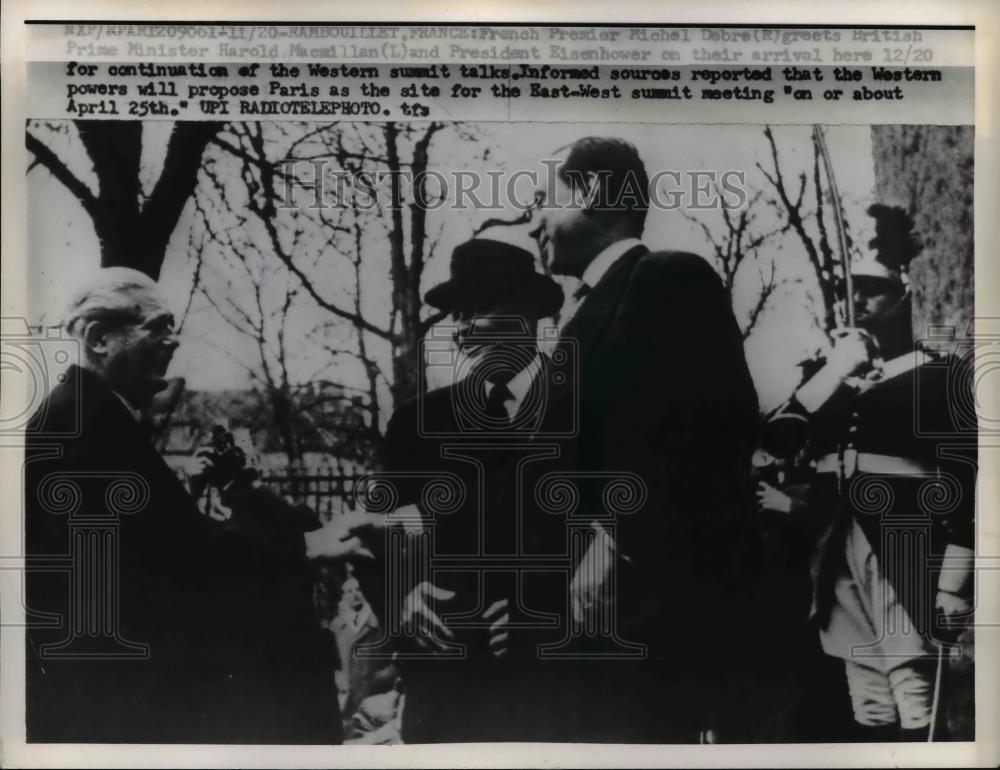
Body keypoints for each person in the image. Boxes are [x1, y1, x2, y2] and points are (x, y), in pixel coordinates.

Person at [24, 267, 375, 743]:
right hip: (107, 704)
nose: (173, 342)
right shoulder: (84, 420)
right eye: (157, 326)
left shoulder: (87, 414)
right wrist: (305, 544)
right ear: (99, 337)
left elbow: (145, 542)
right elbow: (179, 553)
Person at [528, 136, 761, 742]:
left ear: (596, 193)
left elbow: (713, 432)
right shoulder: (582, 311)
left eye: (542, 201)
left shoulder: (667, 278)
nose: (532, 222)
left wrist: (614, 537)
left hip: (644, 604)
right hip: (582, 618)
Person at [764, 205, 977, 741]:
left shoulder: (941, 376)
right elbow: (779, 438)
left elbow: (969, 475)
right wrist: (837, 369)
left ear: (904, 295)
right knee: (869, 695)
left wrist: (954, 582)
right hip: (839, 542)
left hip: (907, 538)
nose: (857, 302)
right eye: (851, 290)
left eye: (872, 291)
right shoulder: (832, 373)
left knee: (914, 688)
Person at [376, 237, 567, 742]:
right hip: (441, 691)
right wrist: (403, 596)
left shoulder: (583, 415)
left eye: (477, 309)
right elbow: (385, 535)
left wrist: (544, 611)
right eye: (454, 314)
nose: (459, 329)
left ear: (528, 315)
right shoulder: (416, 424)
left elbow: (605, 542)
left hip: (549, 692)